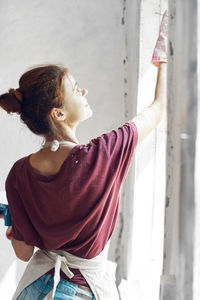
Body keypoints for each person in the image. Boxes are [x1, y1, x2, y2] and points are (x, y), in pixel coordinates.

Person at [0, 12, 167, 300]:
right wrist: (164, 56)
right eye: (76, 89)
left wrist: (13, 218)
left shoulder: (18, 174)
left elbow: (24, 253)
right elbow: (160, 107)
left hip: (35, 289)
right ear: (59, 113)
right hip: (81, 291)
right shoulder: (103, 154)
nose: (84, 91)